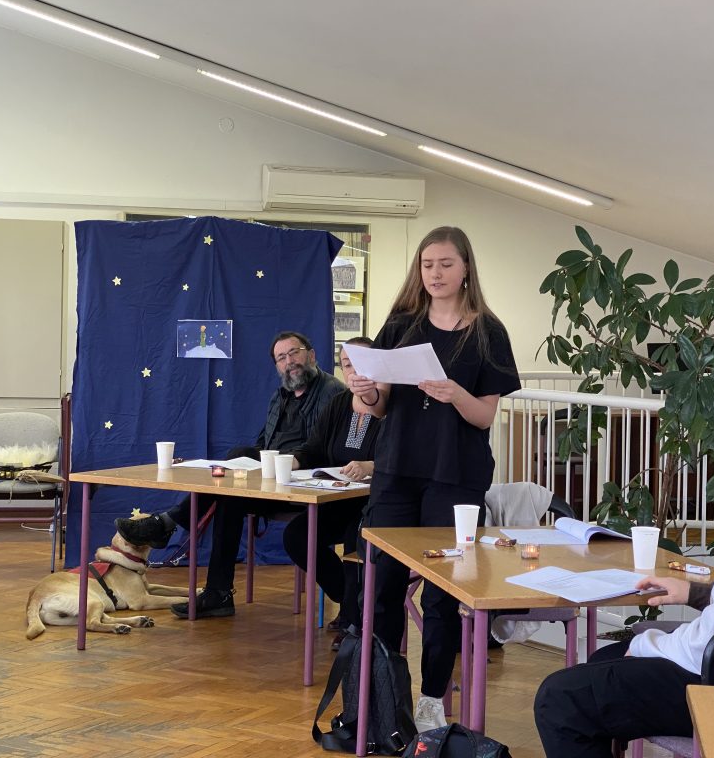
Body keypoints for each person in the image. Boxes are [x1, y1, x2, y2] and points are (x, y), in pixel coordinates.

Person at [534, 373, 714, 757]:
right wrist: (696, 593)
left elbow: (713, 649)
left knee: (560, 699)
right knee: (602, 663)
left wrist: (643, 644)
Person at [346, 225, 520, 732]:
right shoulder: (402, 324)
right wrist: (365, 390)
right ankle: (382, 694)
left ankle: (431, 699)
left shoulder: (488, 331)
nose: (435, 273)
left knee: (443, 593)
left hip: (456, 476)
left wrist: (454, 394)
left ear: (466, 268)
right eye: (427, 265)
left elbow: (484, 417)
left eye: (445, 264)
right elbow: (376, 407)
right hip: (397, 471)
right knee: (382, 585)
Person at [116, 330, 345, 618]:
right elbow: (263, 444)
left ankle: (167, 523)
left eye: (294, 353)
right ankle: (218, 593)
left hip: (304, 483)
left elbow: (322, 450)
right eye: (281, 357)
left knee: (234, 467)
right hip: (270, 481)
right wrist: (249, 465)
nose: (289, 361)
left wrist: (272, 463)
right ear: (277, 366)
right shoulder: (280, 396)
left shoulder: (333, 393)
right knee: (229, 490)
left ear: (311, 354)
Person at [282, 337, 380, 649]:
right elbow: (314, 447)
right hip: (338, 496)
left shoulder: (393, 405)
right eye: (347, 365)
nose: (353, 371)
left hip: (375, 502)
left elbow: (404, 457)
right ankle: (347, 598)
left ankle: (353, 621)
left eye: (361, 364)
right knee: (297, 535)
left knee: (355, 538)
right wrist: (292, 461)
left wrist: (370, 466)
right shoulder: (339, 403)